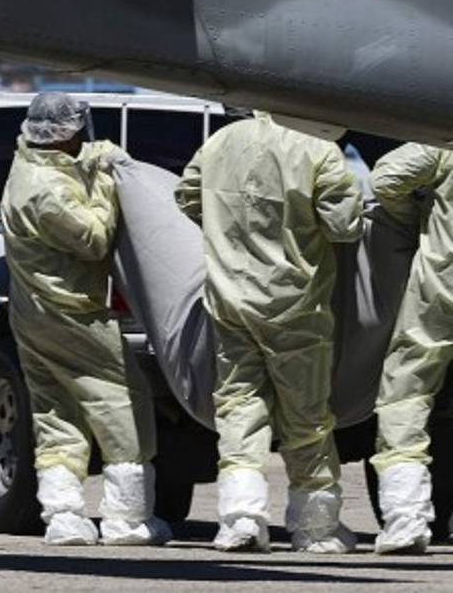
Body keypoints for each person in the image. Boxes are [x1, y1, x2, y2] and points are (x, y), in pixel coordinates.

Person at [176, 111, 364, 553]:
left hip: (228, 299)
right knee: (307, 418)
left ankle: (241, 518)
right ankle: (316, 529)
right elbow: (345, 225)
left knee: (239, 406)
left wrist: (228, 229)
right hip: (294, 305)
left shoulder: (221, 141)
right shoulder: (318, 147)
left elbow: (187, 196)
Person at [0, 93, 170, 547]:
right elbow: (94, 239)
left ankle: (63, 516)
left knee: (56, 414)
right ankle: (126, 518)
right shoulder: (47, 191)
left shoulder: (28, 168)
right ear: (69, 132)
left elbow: (69, 170)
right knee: (122, 405)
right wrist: (107, 187)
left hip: (34, 315)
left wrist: (93, 160)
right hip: (74, 313)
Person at [368, 143, 453, 553]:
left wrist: (415, 222)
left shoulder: (442, 129)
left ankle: (406, 519)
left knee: (407, 393)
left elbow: (386, 178)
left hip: (443, 280)